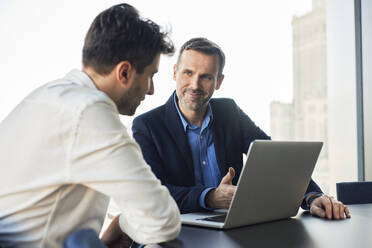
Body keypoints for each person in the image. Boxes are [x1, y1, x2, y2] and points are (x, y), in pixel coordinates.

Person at [0, 3, 181, 247]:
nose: (151, 90)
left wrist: (118, 225)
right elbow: (162, 222)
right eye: (150, 75)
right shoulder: (89, 112)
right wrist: (123, 223)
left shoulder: (48, 96)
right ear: (124, 73)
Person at [132, 37, 351, 220]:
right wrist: (209, 197)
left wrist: (312, 197)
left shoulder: (229, 112)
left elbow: (276, 160)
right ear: (174, 73)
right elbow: (153, 194)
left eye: (206, 77)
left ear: (219, 81)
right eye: (188, 73)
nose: (195, 85)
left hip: (230, 227)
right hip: (173, 230)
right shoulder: (147, 126)